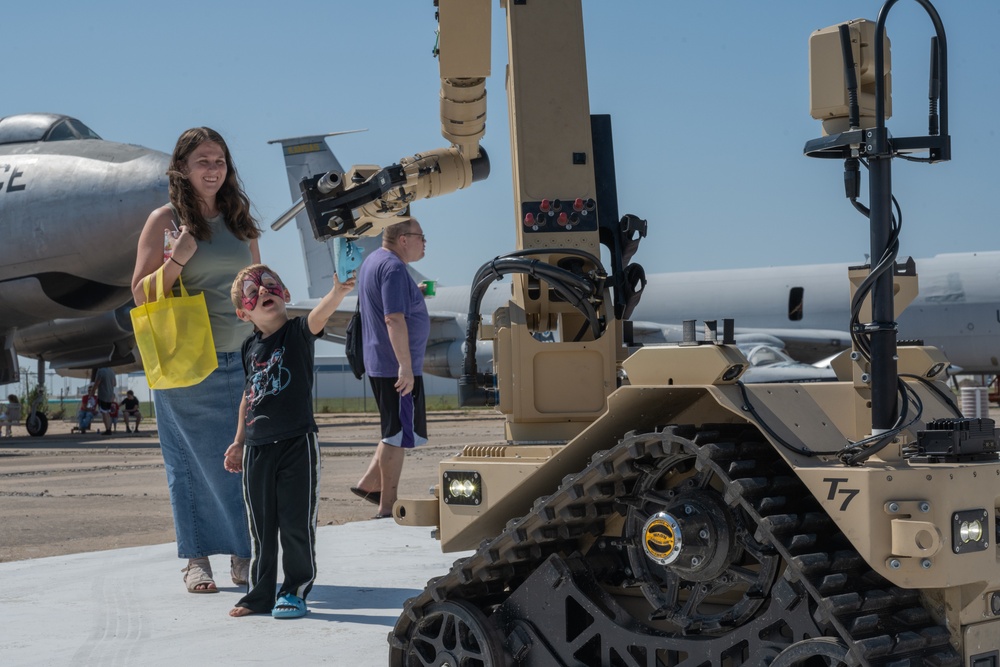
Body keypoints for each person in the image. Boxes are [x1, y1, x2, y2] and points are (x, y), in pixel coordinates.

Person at [131, 127, 260, 594]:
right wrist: (177, 261)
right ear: (183, 168)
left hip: (245, 354)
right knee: (191, 462)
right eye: (203, 161)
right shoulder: (164, 221)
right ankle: (196, 559)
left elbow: (255, 282)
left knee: (246, 459)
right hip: (189, 358)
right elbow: (141, 293)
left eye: (220, 161)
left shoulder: (240, 220)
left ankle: (246, 552)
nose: (213, 169)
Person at [224, 263, 355, 618]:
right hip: (256, 448)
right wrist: (238, 441)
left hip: (297, 443)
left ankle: (294, 591)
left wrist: (338, 292)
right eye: (254, 292)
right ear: (243, 312)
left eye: (270, 286)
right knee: (261, 528)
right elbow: (248, 396)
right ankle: (259, 594)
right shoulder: (249, 347)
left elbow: (318, 315)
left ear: (285, 295)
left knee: (296, 524)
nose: (263, 292)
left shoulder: (298, 332)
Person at [351, 218, 430, 519]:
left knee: (393, 429)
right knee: (397, 435)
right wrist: (405, 368)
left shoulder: (375, 260)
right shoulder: (395, 268)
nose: (424, 244)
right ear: (404, 239)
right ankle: (387, 506)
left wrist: (414, 294)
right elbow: (393, 319)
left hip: (380, 362)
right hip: (394, 365)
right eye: (422, 237)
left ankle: (370, 484)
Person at [93, 366, 116, 435]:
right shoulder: (111, 371)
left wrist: (93, 391)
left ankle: (107, 429)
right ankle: (109, 427)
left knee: (104, 412)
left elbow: (97, 383)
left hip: (103, 395)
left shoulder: (100, 371)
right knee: (108, 412)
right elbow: (114, 384)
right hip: (110, 395)